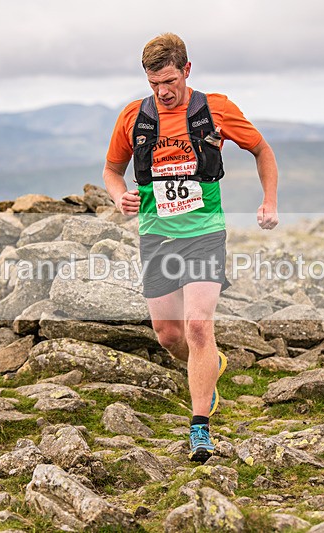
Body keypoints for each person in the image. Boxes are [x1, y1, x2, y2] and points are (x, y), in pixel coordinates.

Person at [103, 33, 279, 463]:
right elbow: (111, 170)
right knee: (168, 334)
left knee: (199, 325)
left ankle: (200, 427)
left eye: (169, 81)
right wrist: (117, 195)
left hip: (204, 232)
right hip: (156, 235)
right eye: (153, 83)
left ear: (186, 70)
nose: (162, 92)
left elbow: (262, 150)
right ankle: (208, 365)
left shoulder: (215, 109)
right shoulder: (133, 117)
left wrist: (269, 200)